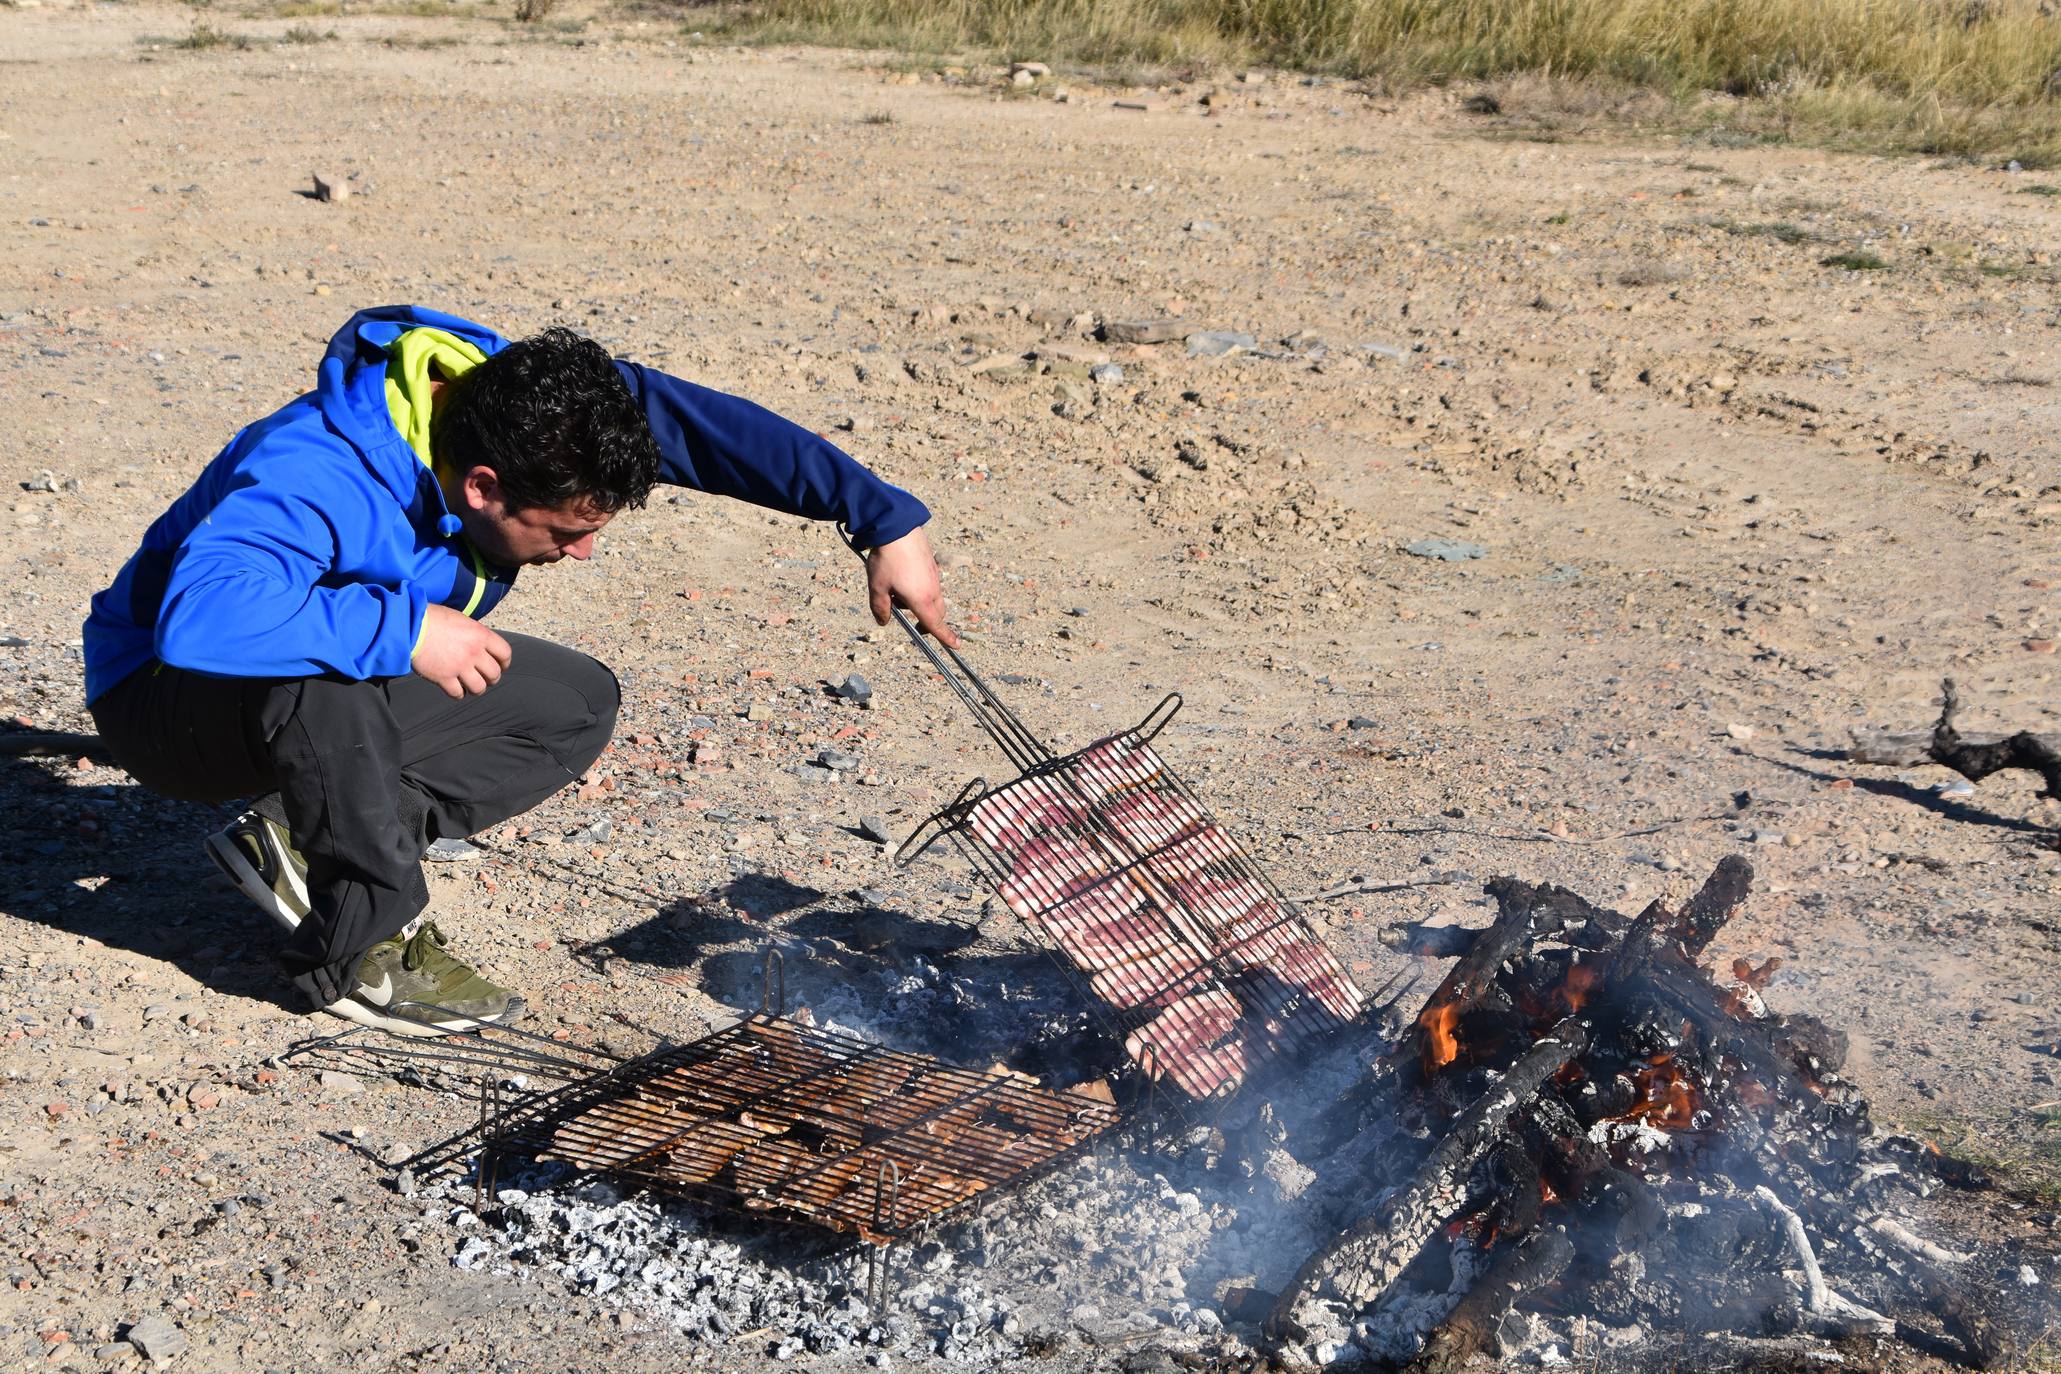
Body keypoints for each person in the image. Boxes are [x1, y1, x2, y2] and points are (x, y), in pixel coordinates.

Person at [82, 305, 956, 1038]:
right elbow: (202, 614)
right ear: (483, 487)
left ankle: (309, 839)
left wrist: (879, 518)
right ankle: (358, 948)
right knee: (330, 659)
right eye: (565, 532)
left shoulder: (533, 409)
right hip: (165, 700)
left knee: (570, 702)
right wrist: (404, 627)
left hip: (292, 698)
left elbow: (709, 430)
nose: (580, 554)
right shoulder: (318, 468)